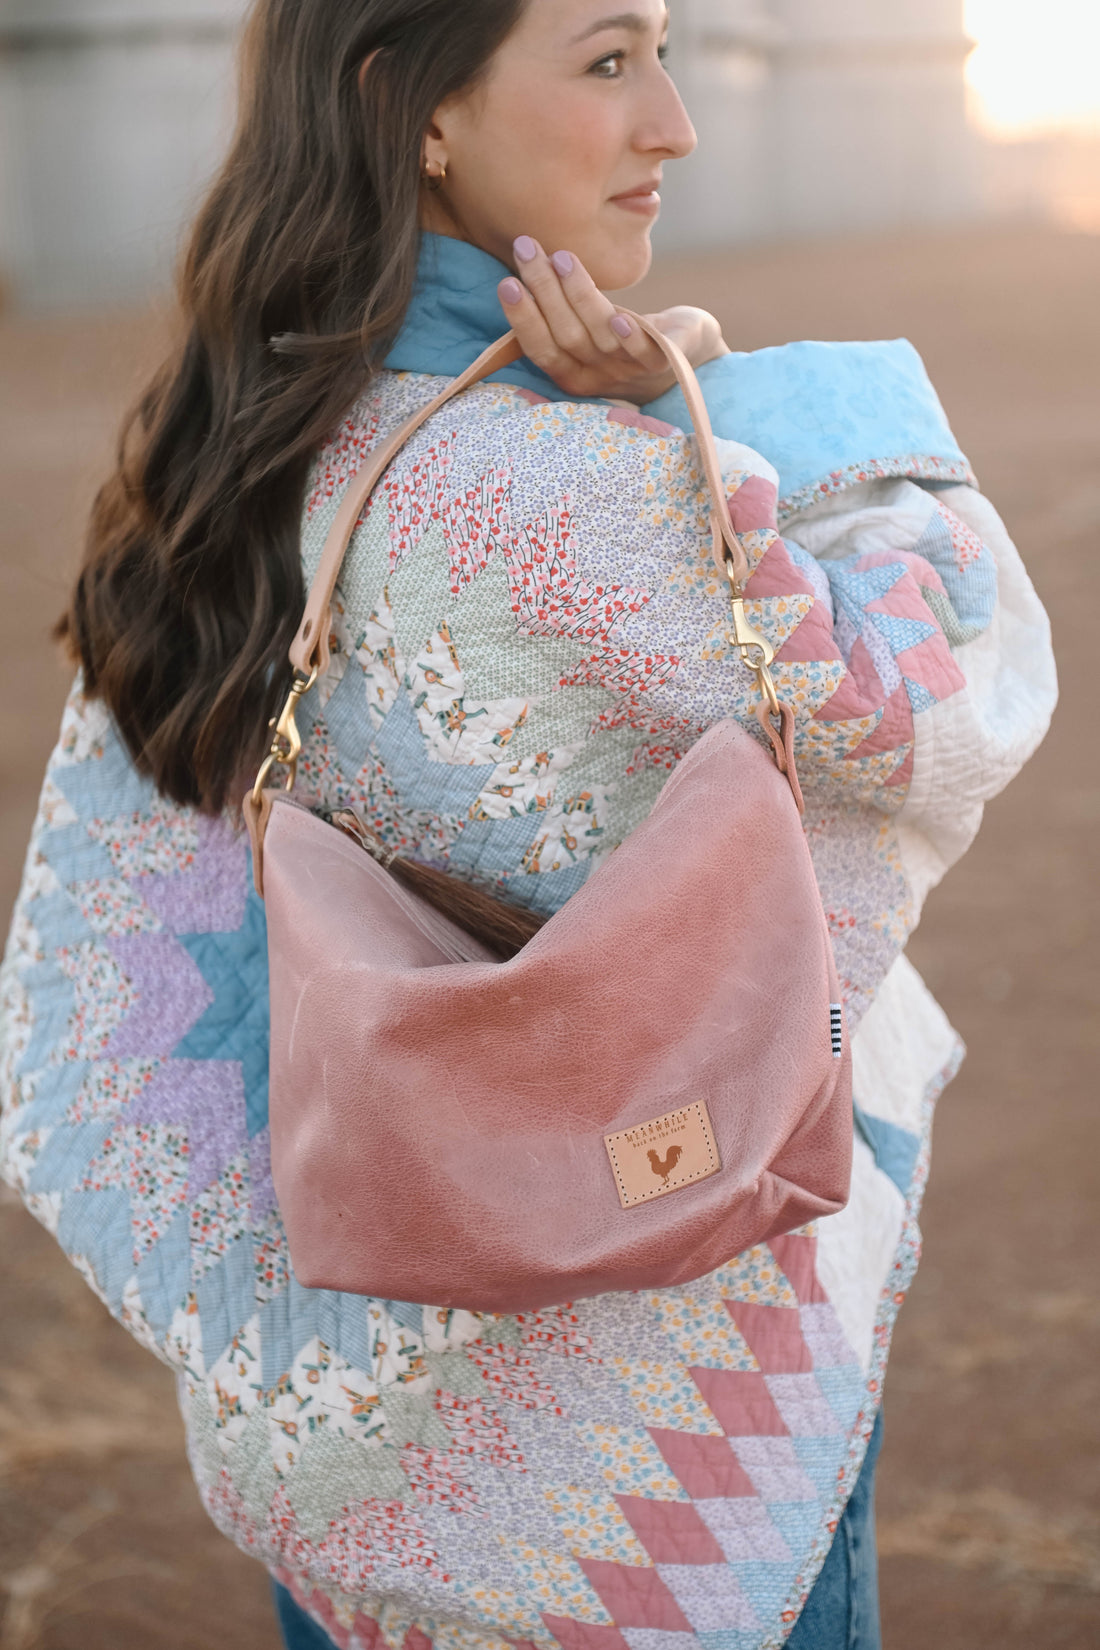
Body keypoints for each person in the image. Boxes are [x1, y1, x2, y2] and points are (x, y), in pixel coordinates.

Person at [0, 2, 1056, 1648]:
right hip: (669, 1455)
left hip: (357, 1468)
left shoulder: (230, 474)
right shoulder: (576, 505)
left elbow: (126, 984)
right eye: (611, 57)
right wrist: (698, 404)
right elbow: (942, 684)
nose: (676, 123)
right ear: (412, 107)